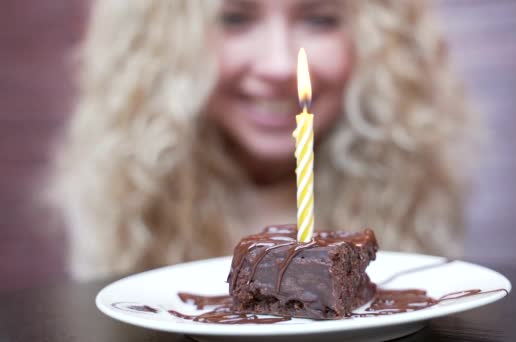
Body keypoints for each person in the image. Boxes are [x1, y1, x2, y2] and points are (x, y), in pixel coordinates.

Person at [49, 0, 475, 281]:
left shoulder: (414, 198)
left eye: (319, 19)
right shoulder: (123, 203)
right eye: (234, 18)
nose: (278, 65)